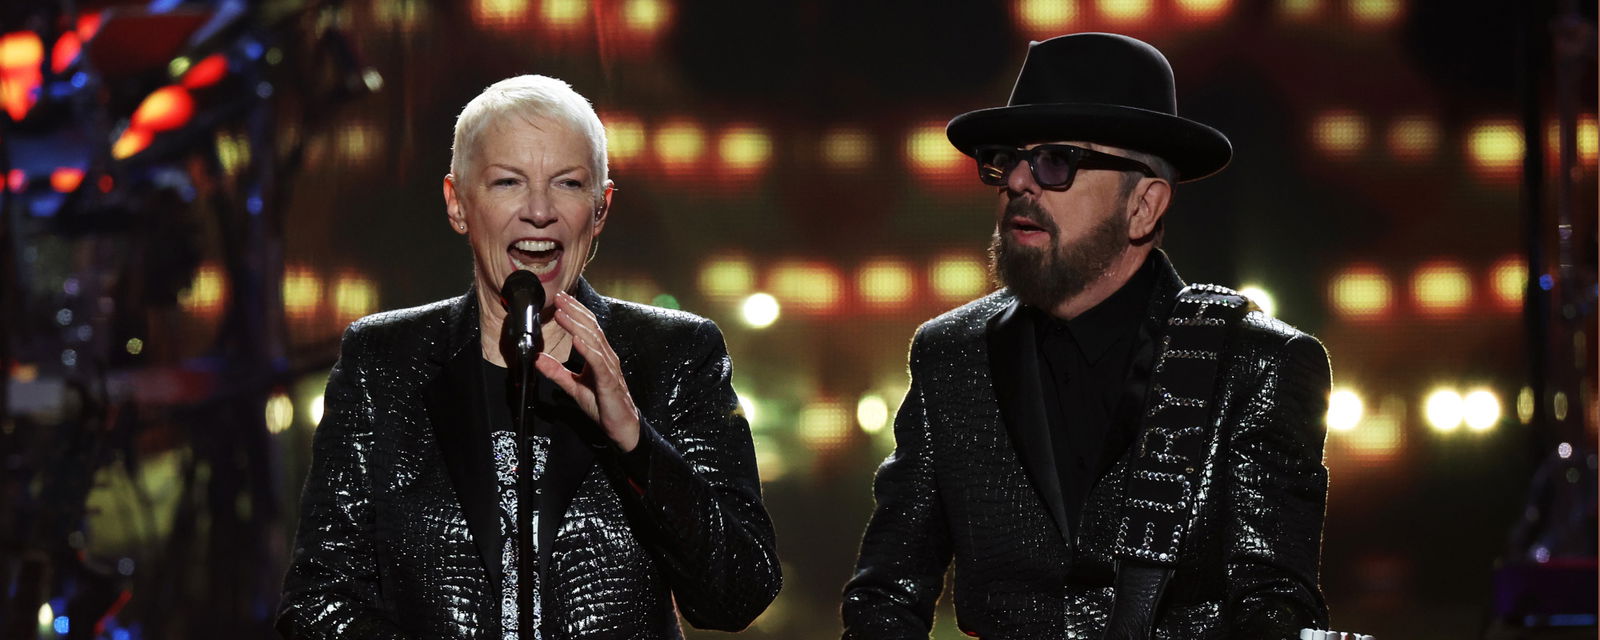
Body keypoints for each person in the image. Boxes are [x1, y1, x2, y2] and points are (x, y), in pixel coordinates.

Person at [842, 33, 1331, 639]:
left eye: (1056, 160)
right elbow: (886, 593)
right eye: (1005, 159)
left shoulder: (1257, 364)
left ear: (1145, 205)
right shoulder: (951, 354)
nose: (1018, 182)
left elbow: (1276, 606)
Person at [277, 75, 780, 639]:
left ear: (600, 209)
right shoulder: (384, 362)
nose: (539, 211)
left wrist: (635, 441)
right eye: (508, 183)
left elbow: (737, 595)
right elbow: (320, 605)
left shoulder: (675, 356)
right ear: (458, 204)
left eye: (566, 184)